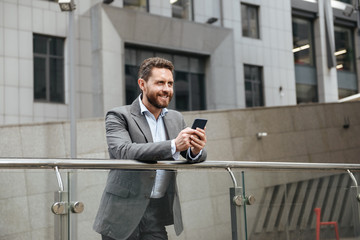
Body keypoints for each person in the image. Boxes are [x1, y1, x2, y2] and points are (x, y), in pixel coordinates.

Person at [93, 57, 207, 240]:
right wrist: (173, 145)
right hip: (122, 212)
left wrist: (195, 150)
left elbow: (189, 152)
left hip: (156, 212)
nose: (166, 89)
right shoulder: (119, 115)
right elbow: (123, 151)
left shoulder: (176, 118)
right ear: (142, 84)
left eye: (170, 83)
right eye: (160, 83)